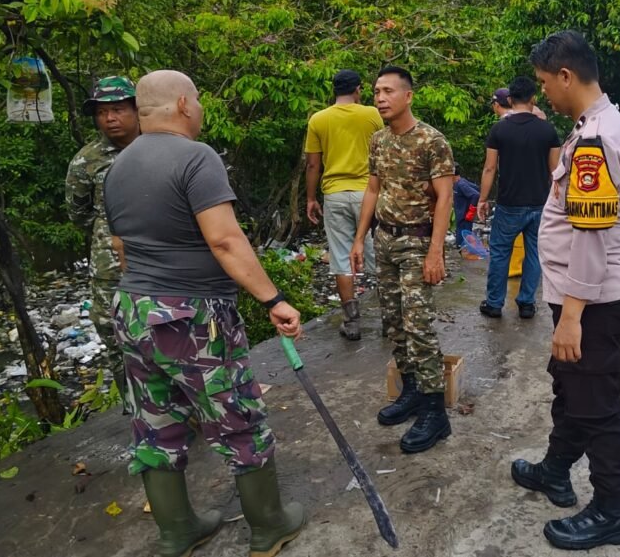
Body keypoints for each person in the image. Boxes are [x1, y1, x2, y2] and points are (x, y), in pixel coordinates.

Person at [104, 70, 305, 557]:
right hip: (191, 315)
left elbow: (121, 246)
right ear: (181, 103)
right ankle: (268, 524)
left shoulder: (117, 167)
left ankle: (177, 532)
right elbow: (224, 239)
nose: (199, 109)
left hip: (133, 309)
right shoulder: (197, 157)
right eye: (196, 101)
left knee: (154, 420)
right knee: (236, 415)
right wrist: (273, 299)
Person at [510, 30, 620, 550]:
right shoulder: (593, 126)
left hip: (592, 298)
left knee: (598, 404)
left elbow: (591, 233)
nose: (543, 92)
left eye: (545, 83)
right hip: (584, 293)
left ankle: (611, 511)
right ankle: (555, 469)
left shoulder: (594, 139)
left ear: (565, 76)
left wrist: (571, 315)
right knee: (572, 389)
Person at [350, 66, 455, 454]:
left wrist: (435, 251)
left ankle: (434, 411)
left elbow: (445, 198)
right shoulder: (378, 140)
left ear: (408, 96)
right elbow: (373, 189)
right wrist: (360, 239)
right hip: (385, 242)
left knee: (418, 325)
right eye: (376, 90)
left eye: (388, 91)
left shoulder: (432, 140)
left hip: (416, 243)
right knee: (393, 322)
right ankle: (410, 390)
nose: (380, 97)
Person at [65, 76, 140, 407]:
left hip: (161, 259)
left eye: (118, 109)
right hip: (109, 267)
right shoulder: (87, 160)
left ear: (137, 109)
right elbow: (78, 213)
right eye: (102, 112)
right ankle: (134, 407)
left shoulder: (160, 145)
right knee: (113, 333)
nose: (110, 118)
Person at [304, 69, 384, 341]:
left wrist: (311, 198)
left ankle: (352, 322)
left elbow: (313, 163)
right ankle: (389, 317)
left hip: (335, 194)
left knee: (341, 258)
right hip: (368, 194)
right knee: (377, 253)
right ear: (358, 89)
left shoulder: (319, 119)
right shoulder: (372, 114)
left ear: (334, 90)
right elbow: (384, 151)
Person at [477, 75, 561, 319]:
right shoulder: (547, 130)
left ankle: (494, 303)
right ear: (533, 98)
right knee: (534, 252)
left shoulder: (499, 129)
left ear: (510, 99)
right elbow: (555, 171)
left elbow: (490, 168)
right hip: (539, 202)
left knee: (501, 252)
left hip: (509, 203)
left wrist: (482, 199)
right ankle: (526, 303)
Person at [452, 163, 480, 246]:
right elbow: (476, 188)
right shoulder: (459, 182)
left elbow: (475, 195)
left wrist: (471, 211)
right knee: (461, 243)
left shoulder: (461, 184)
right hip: (461, 216)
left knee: (463, 244)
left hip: (465, 218)